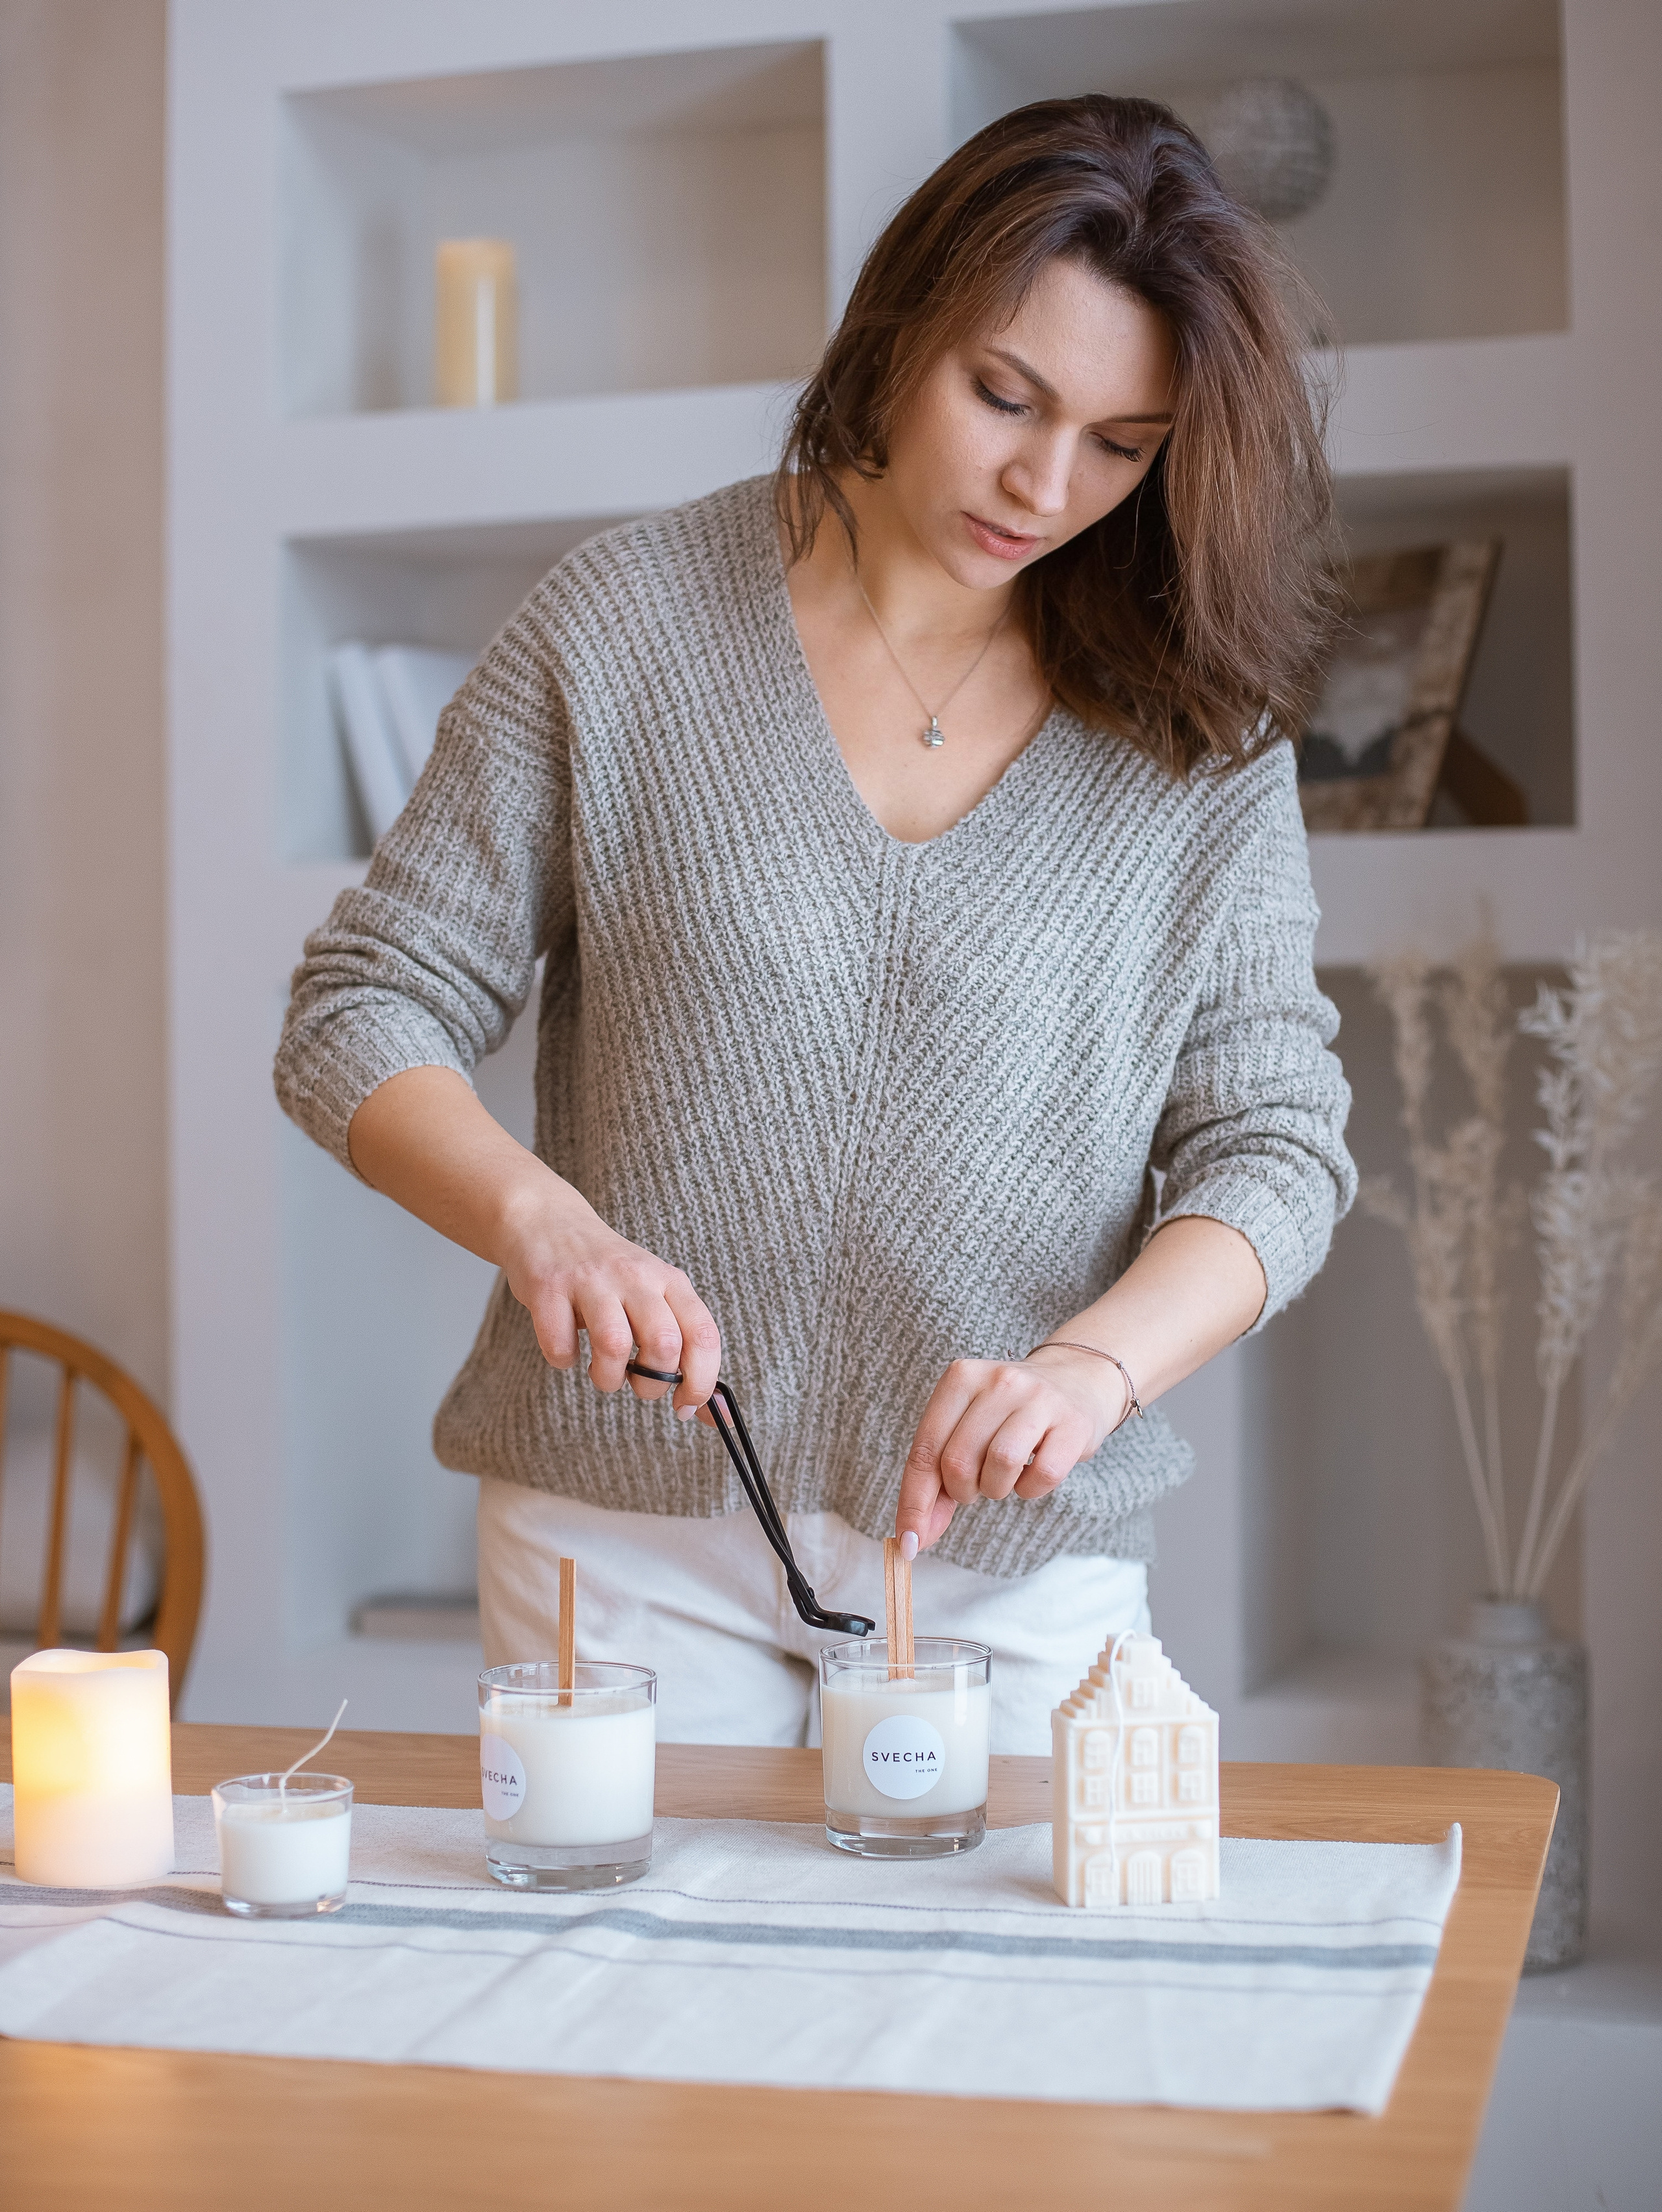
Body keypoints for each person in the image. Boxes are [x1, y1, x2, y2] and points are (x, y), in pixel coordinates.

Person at [275, 95, 1354, 1753]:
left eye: (1120, 443)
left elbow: (1272, 1152)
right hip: (622, 1533)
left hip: (1015, 1561)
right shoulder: (620, 628)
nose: (1042, 481)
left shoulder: (1196, 736)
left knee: (999, 2012)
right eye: (1004, 394)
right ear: (900, 325)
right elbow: (361, 1006)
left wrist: (1090, 1372)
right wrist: (539, 1224)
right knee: (618, 2004)